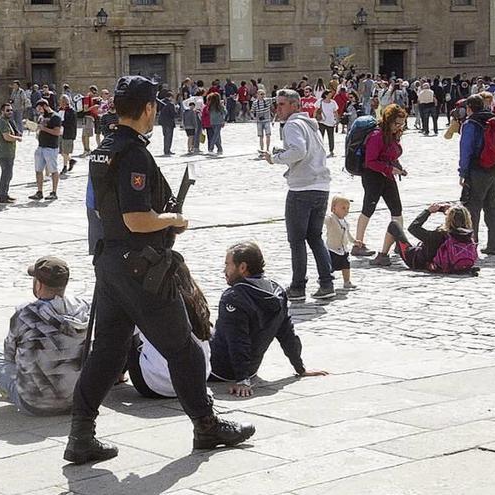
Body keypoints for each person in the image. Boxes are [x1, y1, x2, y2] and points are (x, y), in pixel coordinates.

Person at [68, 75, 254, 466]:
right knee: (184, 350)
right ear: (149, 108)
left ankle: (80, 434)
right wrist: (173, 218)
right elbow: (137, 218)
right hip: (140, 267)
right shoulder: (134, 153)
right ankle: (206, 425)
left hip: (111, 262)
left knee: (108, 351)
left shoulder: (104, 148)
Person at [209, 241, 328, 397]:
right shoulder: (277, 292)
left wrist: (242, 380)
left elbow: (237, 340)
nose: (224, 270)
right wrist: (300, 368)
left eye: (228, 265)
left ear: (243, 268)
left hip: (219, 370)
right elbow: (287, 333)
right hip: (251, 370)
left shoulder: (233, 297)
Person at [0, 256, 90, 415]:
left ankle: (10, 390)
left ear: (39, 284)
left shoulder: (25, 313)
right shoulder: (83, 309)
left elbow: (9, 356)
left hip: (33, 403)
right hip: (76, 401)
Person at [262, 89, 334, 301]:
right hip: (321, 186)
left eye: (282, 104)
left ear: (295, 105)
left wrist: (275, 158)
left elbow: (299, 151)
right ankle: (327, 283)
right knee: (315, 237)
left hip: (302, 189)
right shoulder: (310, 125)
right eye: (277, 104)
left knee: (297, 240)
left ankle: (298, 286)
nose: (278, 108)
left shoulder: (293, 124)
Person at [127, 261, 211, 399]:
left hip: (157, 386)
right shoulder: (197, 299)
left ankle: (116, 375)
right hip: (198, 382)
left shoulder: (153, 300)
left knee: (126, 329)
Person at [355, 104, 409, 266]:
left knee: (397, 209)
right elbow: (370, 161)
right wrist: (390, 168)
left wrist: (398, 167)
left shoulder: (392, 134)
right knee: (368, 208)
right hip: (373, 176)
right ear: (388, 121)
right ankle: (358, 244)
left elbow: (391, 154)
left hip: (387, 175)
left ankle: (400, 243)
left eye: (402, 123)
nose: (399, 127)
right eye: (397, 123)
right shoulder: (377, 136)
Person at [459, 94, 495, 256]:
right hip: (494, 169)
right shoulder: (492, 119)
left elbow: (466, 150)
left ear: (469, 108)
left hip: (477, 170)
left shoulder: (471, 123)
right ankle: (494, 245)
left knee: (472, 208)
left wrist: (462, 172)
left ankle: (471, 246)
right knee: (492, 207)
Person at [382, 203, 476, 272]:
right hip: (441, 264)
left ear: (449, 219)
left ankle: (382, 256)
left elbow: (413, 228)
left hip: (415, 261)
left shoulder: (439, 234)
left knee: (394, 225)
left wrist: (427, 212)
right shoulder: (467, 235)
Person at [29, 99, 62, 201]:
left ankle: (54, 192)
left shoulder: (55, 117)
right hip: (40, 146)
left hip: (51, 147)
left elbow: (57, 132)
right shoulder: (41, 117)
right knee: (38, 170)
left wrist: (44, 129)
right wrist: (32, 126)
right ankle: (39, 191)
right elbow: (39, 128)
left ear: (45, 106)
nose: (39, 111)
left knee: (53, 170)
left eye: (40, 108)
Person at [324, 196, 357, 290]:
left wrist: (354, 241)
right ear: (333, 208)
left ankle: (347, 281)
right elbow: (323, 220)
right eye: (343, 208)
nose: (346, 210)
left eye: (348, 208)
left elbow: (347, 234)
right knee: (330, 267)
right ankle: (325, 279)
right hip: (333, 248)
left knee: (346, 266)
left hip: (344, 249)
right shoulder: (331, 219)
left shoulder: (345, 223)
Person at [0, 103, 23, 204]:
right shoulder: (2, 122)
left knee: (8, 174)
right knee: (6, 174)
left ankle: (5, 194)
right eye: (7, 110)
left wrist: (16, 134)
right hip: (4, 153)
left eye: (11, 110)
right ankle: (2, 196)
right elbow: (6, 136)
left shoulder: (8, 121)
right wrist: (17, 138)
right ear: (2, 111)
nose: (10, 112)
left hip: (9, 152)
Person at [315, 89, 339, 156]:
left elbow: (335, 112)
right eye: (329, 94)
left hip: (330, 122)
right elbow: (315, 110)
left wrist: (337, 120)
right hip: (321, 121)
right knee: (320, 137)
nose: (331, 95)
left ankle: (331, 151)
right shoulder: (320, 101)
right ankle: (319, 151)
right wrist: (314, 118)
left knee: (331, 137)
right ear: (325, 95)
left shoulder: (333, 102)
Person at [58, 94, 77, 175]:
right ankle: (69, 162)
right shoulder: (60, 110)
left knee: (65, 152)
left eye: (62, 102)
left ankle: (66, 166)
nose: (60, 103)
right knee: (62, 151)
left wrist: (60, 123)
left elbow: (70, 123)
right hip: (60, 133)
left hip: (68, 133)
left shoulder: (71, 111)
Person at [156, 91, 178, 156]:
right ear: (170, 97)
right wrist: (176, 108)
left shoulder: (161, 102)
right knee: (169, 137)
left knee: (165, 136)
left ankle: (166, 150)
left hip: (163, 122)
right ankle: (167, 150)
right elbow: (174, 114)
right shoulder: (171, 104)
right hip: (169, 122)